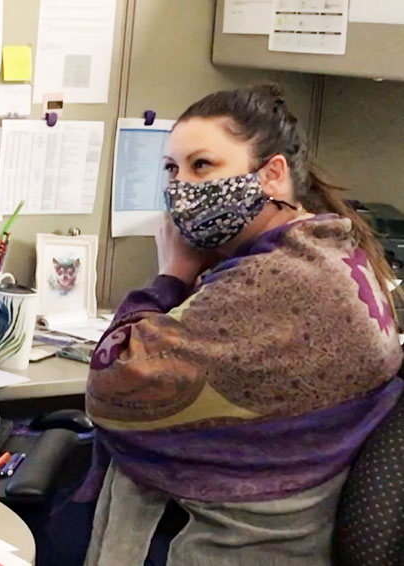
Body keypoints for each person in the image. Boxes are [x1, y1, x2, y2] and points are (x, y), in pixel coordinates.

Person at [40, 85, 403, 566]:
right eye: (172, 169)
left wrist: (171, 272)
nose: (181, 188)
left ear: (271, 175)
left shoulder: (280, 282)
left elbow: (113, 387)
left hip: (224, 541)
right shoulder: (330, 251)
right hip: (271, 522)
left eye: (202, 166)